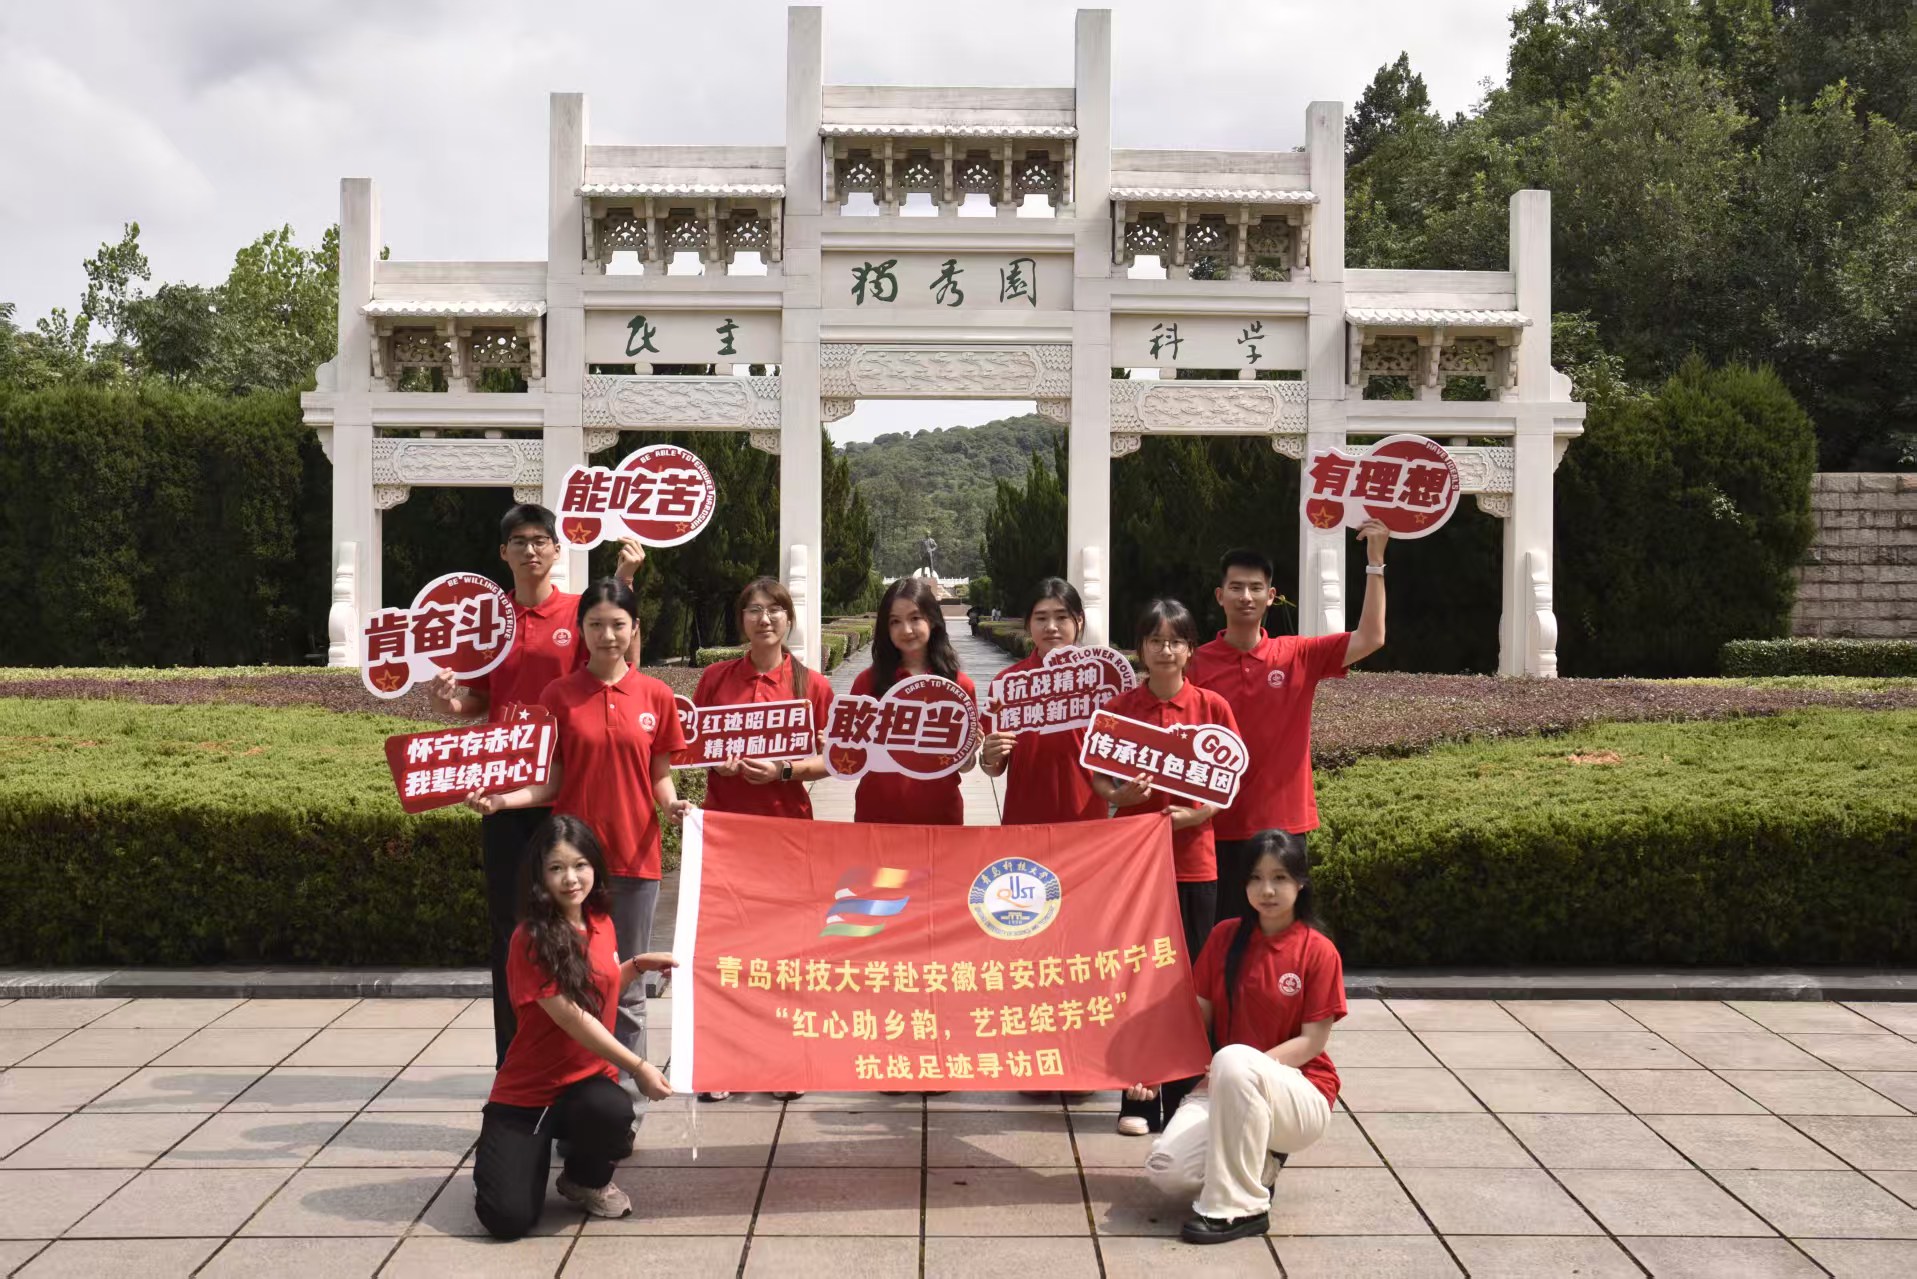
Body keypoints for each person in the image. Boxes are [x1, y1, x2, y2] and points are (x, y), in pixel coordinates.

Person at [430, 503, 645, 1067]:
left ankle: (580, 1058)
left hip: (566, 787)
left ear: (557, 549)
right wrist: (449, 702)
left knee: (575, 926)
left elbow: (621, 663)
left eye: (540, 540)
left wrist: (624, 581)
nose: (531, 550)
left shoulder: (578, 612)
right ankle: (516, 1060)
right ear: (503, 552)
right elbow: (478, 700)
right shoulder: (487, 620)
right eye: (520, 541)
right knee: (511, 932)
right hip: (505, 790)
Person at [468, 577, 688, 1076]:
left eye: (618, 625)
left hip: (635, 858)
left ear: (635, 629)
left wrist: (673, 806)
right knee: (572, 984)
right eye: (595, 625)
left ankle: (627, 1097)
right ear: (582, 629)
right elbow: (552, 781)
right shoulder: (559, 695)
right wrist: (502, 800)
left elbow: (660, 775)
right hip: (573, 865)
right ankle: (575, 1089)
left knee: (628, 986)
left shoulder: (656, 695)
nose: (607, 636)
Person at [473, 815, 675, 1240]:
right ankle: (519, 1157)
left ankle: (584, 1180)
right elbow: (571, 1017)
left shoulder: (600, 920)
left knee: (613, 1110)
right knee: (506, 1219)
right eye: (557, 868)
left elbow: (600, 987)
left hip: (585, 1086)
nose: (571, 879)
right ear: (539, 875)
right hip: (528, 1094)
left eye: (580, 865)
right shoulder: (530, 938)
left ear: (595, 866)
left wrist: (637, 966)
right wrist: (639, 1066)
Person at [1144, 831, 1344, 1245]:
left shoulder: (1318, 951)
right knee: (1166, 1170)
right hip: (1229, 1082)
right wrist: (1154, 1068)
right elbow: (1195, 1017)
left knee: (1234, 1059)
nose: (1266, 890)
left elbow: (1311, 1043)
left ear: (1301, 882)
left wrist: (1235, 1070)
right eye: (1255, 878)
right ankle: (1260, 1163)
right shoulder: (1225, 937)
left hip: (1299, 1097)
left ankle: (1237, 1208)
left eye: (1280, 877)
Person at [1094, 597, 1240, 1137]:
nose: (1165, 650)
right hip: (1135, 869)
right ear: (1141, 647)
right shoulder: (1120, 709)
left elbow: (1227, 785)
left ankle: (1182, 1094)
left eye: (1175, 641)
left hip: (1194, 864)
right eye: (1155, 640)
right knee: (1136, 978)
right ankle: (1136, 1095)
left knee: (1191, 984)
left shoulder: (1211, 708)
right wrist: (1119, 795)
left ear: (1190, 648)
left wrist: (1196, 814)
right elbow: (1098, 777)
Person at [690, 576, 833, 1103]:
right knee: (728, 949)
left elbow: (833, 760)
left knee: (785, 948)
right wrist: (717, 761)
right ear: (741, 620)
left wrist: (784, 771)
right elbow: (692, 744)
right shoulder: (715, 678)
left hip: (787, 832)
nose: (764, 619)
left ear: (788, 618)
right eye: (753, 610)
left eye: (774, 610)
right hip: (727, 830)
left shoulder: (812, 685)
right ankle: (726, 1061)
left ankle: (784, 1060)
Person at [1188, 525, 1388, 898]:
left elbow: (1372, 637)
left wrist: (1375, 563)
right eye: (1236, 587)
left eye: (1255, 588)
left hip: (1285, 827)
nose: (1245, 597)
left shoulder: (1298, 654)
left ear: (1271, 596)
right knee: (1224, 929)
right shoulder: (1195, 664)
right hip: (1214, 823)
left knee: (1283, 927)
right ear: (1219, 595)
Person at [849, 576, 978, 827]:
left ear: (933, 620)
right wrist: (836, 745)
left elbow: (965, 765)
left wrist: (970, 751)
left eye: (915, 618)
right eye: (895, 621)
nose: (906, 630)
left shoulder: (960, 687)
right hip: (877, 817)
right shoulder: (867, 683)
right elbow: (854, 756)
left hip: (940, 819)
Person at [979, 578, 1105, 826]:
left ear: (1079, 620)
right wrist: (988, 757)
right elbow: (995, 766)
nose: (1051, 627)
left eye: (1062, 617)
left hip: (1087, 821)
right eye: (1041, 618)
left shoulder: (1102, 680)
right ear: (1028, 623)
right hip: (1025, 821)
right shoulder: (1008, 684)